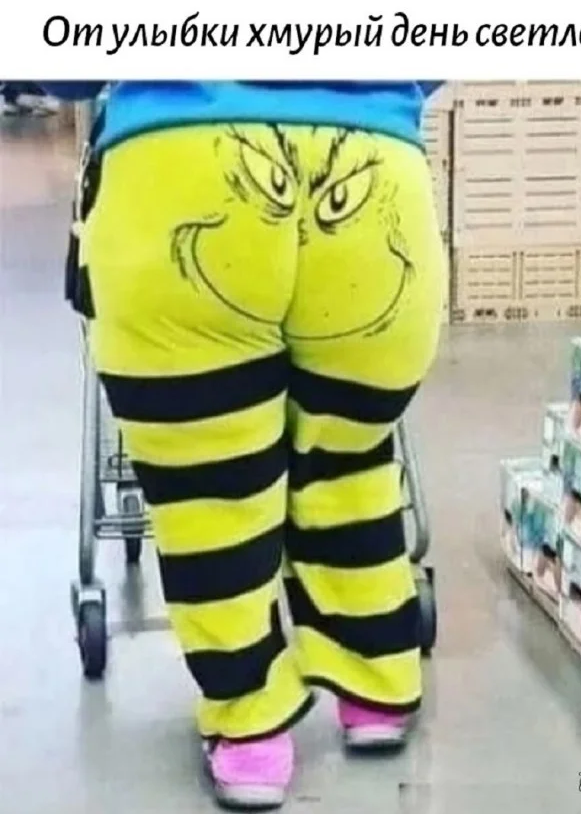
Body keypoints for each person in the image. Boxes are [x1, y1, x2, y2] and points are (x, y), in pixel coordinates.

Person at [42, 79, 446, 810]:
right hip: (375, 177)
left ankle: (251, 729)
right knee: (348, 459)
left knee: (213, 494)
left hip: (178, 172)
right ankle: (376, 686)